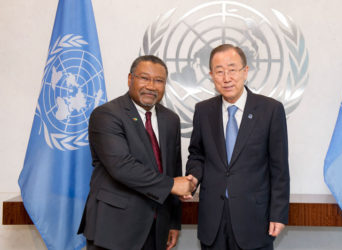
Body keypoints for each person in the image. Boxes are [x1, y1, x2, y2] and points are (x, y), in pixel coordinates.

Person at [78, 55, 196, 250]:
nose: (151, 86)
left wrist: (174, 222)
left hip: (157, 228)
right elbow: (122, 167)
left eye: (159, 81)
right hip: (115, 228)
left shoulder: (171, 119)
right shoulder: (106, 114)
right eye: (144, 78)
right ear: (130, 79)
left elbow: (173, 169)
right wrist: (172, 185)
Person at [184, 44, 290, 250]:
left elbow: (279, 168)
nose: (226, 78)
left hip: (254, 218)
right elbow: (197, 154)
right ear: (211, 75)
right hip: (212, 218)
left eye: (232, 70)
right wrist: (193, 177)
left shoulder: (270, 110)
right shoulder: (203, 111)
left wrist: (278, 213)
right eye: (219, 71)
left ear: (245, 72)